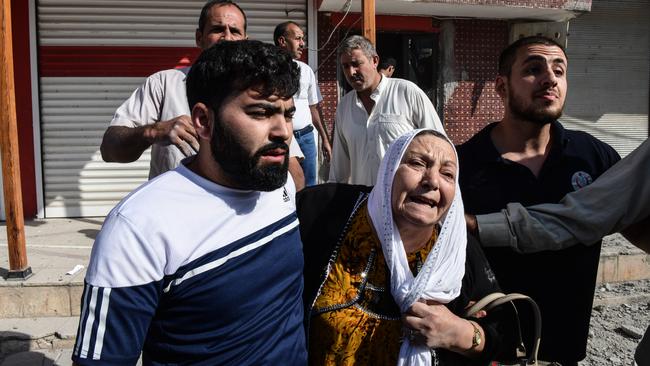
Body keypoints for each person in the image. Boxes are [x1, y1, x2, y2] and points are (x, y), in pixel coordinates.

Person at [72, 40, 306, 365]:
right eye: (261, 112)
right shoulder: (139, 226)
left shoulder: (280, 188)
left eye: (288, 114)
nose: (283, 131)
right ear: (203, 121)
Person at [457, 36, 621, 365]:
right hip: (487, 352)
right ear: (501, 88)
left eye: (559, 71)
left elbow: (636, 222)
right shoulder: (463, 165)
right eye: (534, 69)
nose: (550, 79)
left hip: (565, 353)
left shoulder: (593, 157)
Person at [298, 129, 515, 365]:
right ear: (389, 170)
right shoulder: (323, 210)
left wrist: (461, 334)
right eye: (418, 163)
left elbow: (505, 335)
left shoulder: (456, 252)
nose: (432, 181)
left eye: (447, 174)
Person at [465, 138, 650, 366]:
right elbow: (584, 217)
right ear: (500, 98)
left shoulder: (596, 156)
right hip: (493, 345)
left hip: (565, 348)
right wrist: (475, 225)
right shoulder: (465, 159)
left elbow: (620, 219)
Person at [99, 0, 305, 187]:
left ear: (245, 39)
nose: (226, 38)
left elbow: (293, 168)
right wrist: (155, 131)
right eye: (217, 29)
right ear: (199, 37)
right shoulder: (164, 83)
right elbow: (110, 149)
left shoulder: (265, 88)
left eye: (235, 31)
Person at [328, 35, 445, 186]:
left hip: (405, 201)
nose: (351, 72)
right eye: (345, 66)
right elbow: (339, 167)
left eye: (356, 64)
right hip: (364, 203)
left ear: (374, 61)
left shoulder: (407, 93)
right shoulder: (344, 107)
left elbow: (440, 147)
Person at [274, 21, 332, 186]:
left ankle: (307, 213)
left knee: (310, 184)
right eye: (298, 38)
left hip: (306, 137)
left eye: (303, 39)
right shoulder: (269, 69)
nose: (303, 44)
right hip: (282, 138)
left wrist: (325, 140)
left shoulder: (305, 70)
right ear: (282, 41)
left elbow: (314, 107)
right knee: (284, 183)